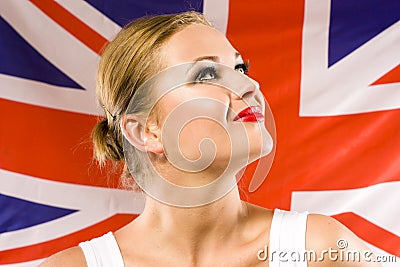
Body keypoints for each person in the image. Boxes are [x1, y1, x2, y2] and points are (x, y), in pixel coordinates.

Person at [40, 11, 380, 266]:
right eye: (207, 73)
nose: (250, 86)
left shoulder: (319, 249)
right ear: (145, 131)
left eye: (240, 69)